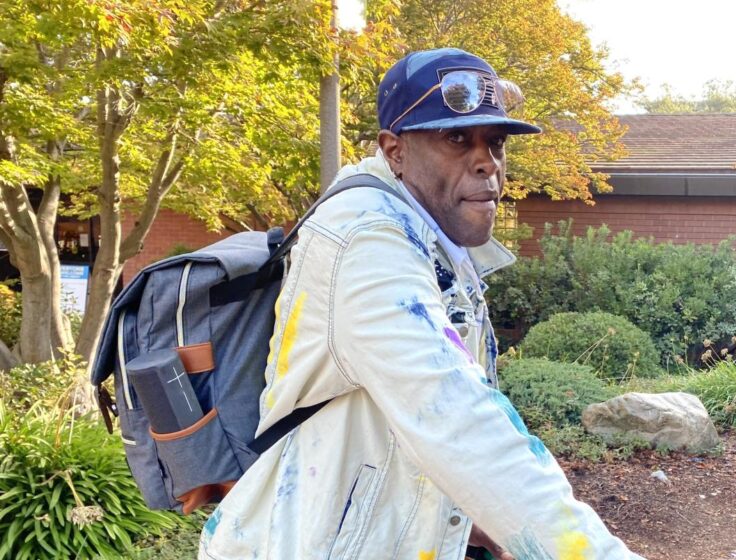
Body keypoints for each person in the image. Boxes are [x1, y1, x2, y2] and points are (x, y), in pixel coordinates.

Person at [198, 48, 645, 560]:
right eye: (456, 138)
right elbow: (453, 414)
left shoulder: (431, 236)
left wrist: (469, 518)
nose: (487, 162)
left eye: (495, 142)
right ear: (395, 151)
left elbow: (405, 426)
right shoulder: (367, 240)